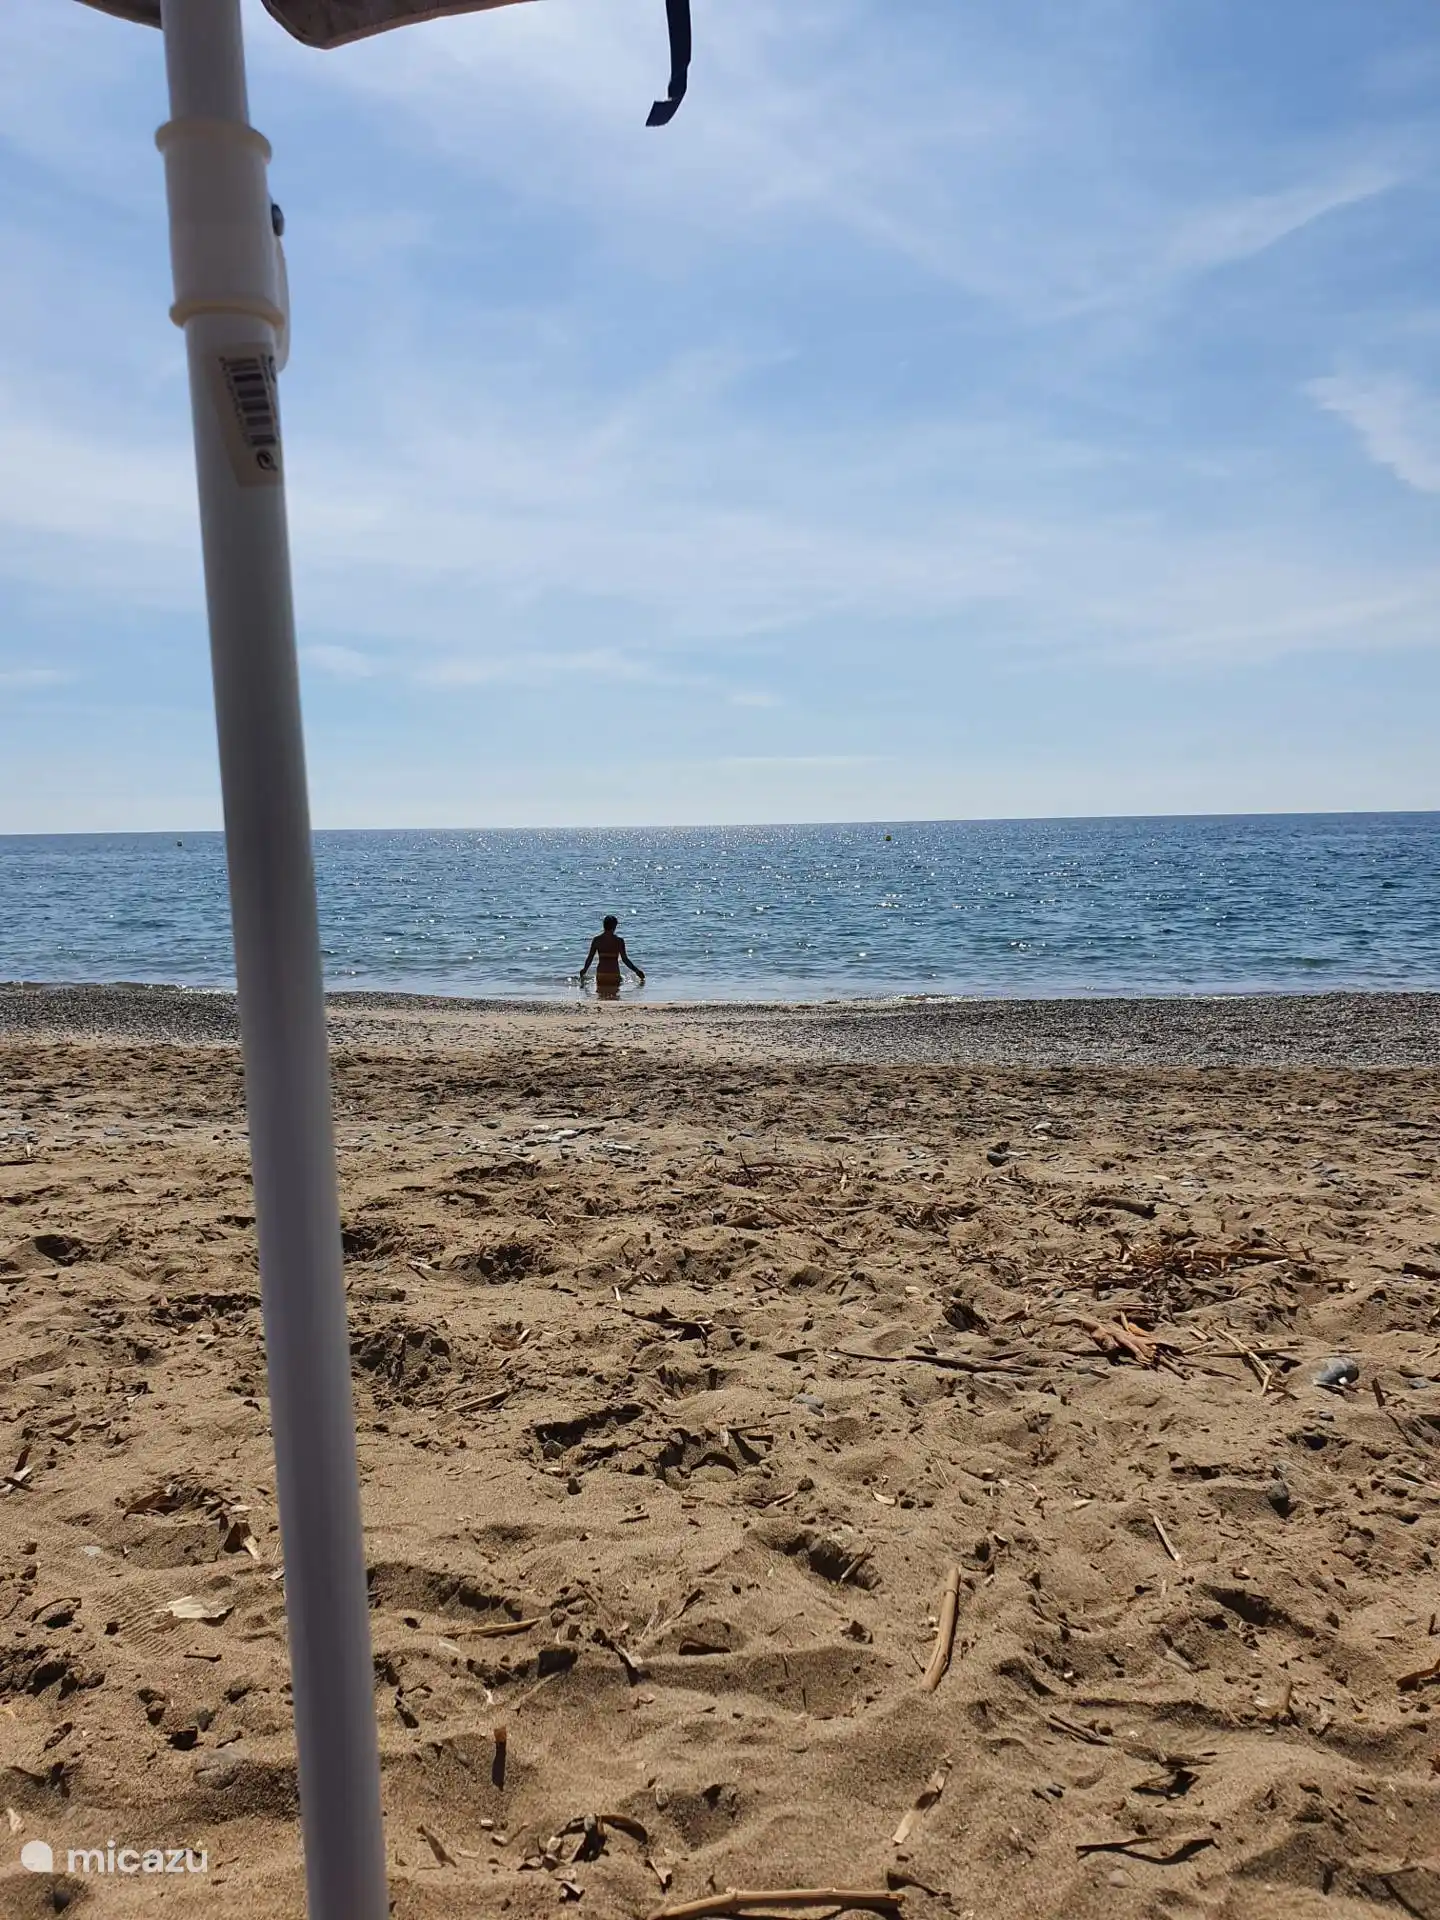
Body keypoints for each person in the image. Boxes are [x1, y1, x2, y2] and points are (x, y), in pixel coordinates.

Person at [579, 915, 645, 1000]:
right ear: (615, 926)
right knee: (616, 994)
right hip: (614, 975)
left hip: (601, 975)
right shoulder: (619, 941)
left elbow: (590, 958)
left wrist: (584, 970)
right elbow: (625, 960)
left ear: (604, 925)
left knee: (601, 996)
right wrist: (637, 971)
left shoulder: (596, 940)